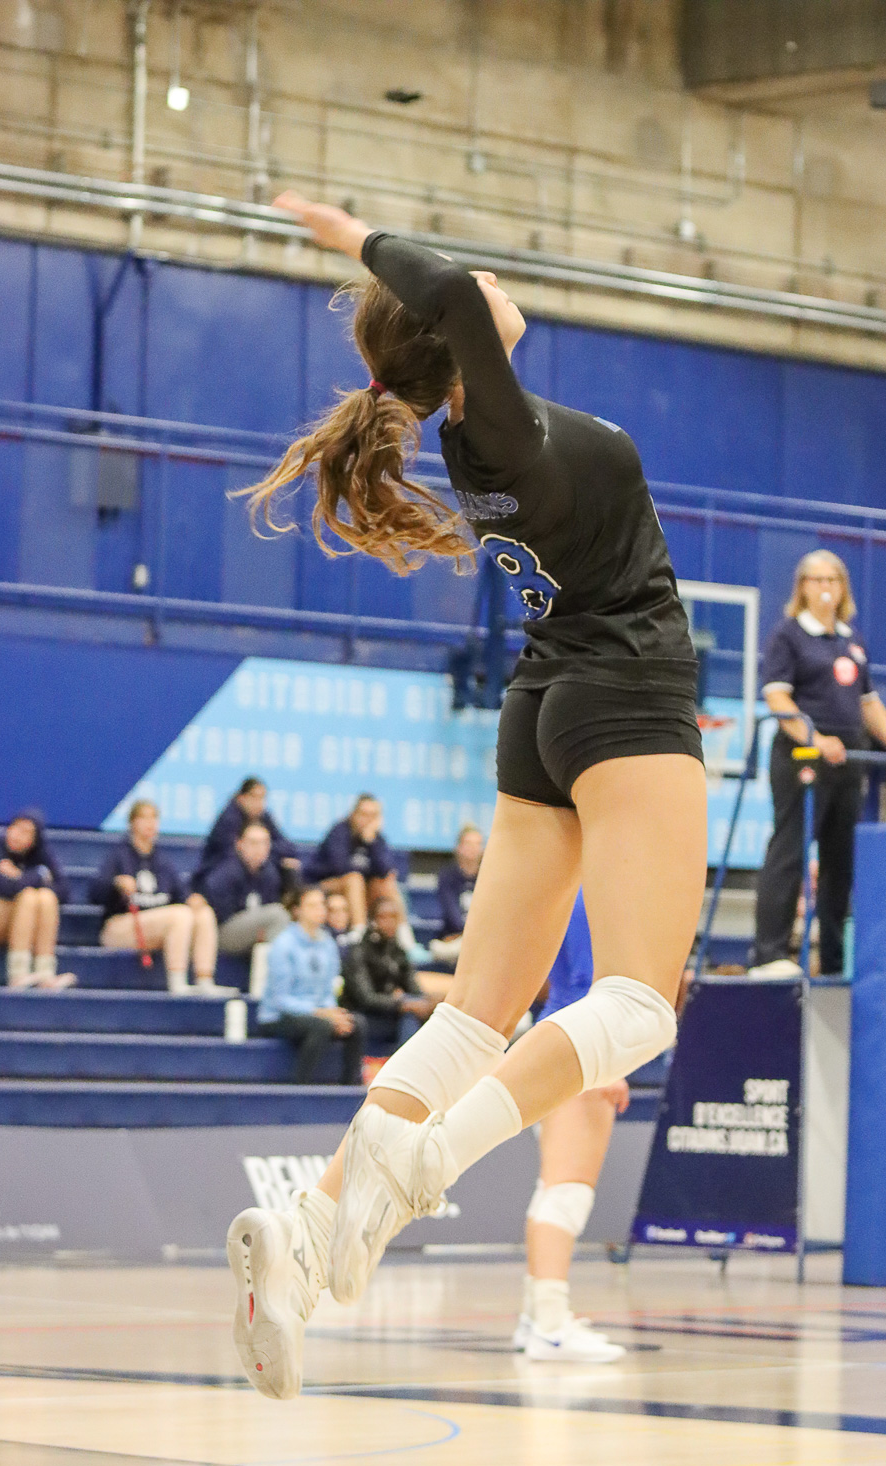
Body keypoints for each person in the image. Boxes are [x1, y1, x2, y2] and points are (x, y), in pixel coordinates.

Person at [226, 193, 706, 1402]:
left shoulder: (478, 428)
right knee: (641, 1005)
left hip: (544, 709)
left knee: (473, 1018)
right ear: (461, 340)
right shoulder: (487, 421)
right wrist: (349, 239)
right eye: (477, 288)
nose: (492, 283)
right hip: (622, 694)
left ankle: (315, 1228)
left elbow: (447, 305)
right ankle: (425, 1163)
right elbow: (441, 290)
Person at [750, 549, 886, 978]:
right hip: (803, 759)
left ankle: (833, 961)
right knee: (790, 851)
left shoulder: (852, 641)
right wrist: (817, 738)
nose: (826, 587)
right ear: (802, 588)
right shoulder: (788, 636)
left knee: (841, 862)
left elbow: (868, 704)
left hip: (850, 761)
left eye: (833, 579)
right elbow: (777, 698)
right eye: (817, 580)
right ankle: (770, 954)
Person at [514, 893, 626, 1363]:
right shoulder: (588, 891)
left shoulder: (575, 882)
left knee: (553, 1190)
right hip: (577, 1043)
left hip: (562, 1037)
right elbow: (584, 983)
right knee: (567, 1193)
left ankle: (537, 1317)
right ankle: (551, 1327)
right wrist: (603, 1063)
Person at [92, 799, 230, 995]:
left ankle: (204, 979)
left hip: (156, 926)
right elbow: (95, 893)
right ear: (132, 823)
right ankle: (177, 980)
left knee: (204, 913)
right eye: (144, 817)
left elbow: (180, 894)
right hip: (120, 926)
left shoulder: (162, 861)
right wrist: (116, 883)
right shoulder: (118, 856)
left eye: (154, 818)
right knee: (180, 915)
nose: (150, 823)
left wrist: (192, 899)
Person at [256, 884, 362, 1084]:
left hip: (316, 1013)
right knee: (320, 1026)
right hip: (278, 1017)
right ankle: (301, 1086)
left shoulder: (328, 944)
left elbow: (328, 990)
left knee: (356, 1024)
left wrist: (332, 1011)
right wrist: (321, 1013)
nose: (319, 910)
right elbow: (282, 1001)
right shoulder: (283, 944)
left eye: (321, 905)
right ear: (298, 910)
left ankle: (350, 1089)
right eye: (312, 905)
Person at [0, 812, 74, 989]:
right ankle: (18, 974)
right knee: (27, 896)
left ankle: (45, 974)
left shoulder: (41, 855)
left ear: (34, 840)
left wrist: (19, 877)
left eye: (25, 832)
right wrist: (38, 876)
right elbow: (3, 888)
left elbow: (64, 892)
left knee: (46, 898)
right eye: (15, 828)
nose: (17, 835)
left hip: (23, 924)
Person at [340, 897, 438, 1051]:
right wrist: (400, 1003)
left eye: (394, 917)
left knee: (429, 1011)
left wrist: (426, 1002)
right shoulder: (358, 951)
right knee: (410, 1016)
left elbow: (414, 989)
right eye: (383, 917)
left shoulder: (398, 951)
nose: (389, 922)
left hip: (391, 1014)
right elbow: (367, 999)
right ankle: (407, 1066)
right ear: (372, 921)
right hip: (364, 1017)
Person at [303, 794, 401, 936]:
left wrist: (371, 843)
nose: (367, 820)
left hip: (360, 890)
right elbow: (340, 867)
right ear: (353, 814)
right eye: (364, 814)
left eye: (373, 815)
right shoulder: (339, 831)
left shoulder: (376, 838)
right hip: (324, 886)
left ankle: (403, 938)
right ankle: (359, 933)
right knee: (354, 879)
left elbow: (385, 870)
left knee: (387, 883)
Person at [191, 778, 299, 892]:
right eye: (254, 797)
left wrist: (269, 854)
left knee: (289, 865)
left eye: (262, 798)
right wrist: (267, 855)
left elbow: (288, 847)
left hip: (251, 871)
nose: (259, 803)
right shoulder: (228, 820)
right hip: (218, 871)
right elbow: (234, 854)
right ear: (241, 798)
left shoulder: (264, 816)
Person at [202, 821, 290, 955]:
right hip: (221, 933)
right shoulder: (226, 872)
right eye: (253, 842)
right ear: (240, 844)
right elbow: (219, 916)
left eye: (264, 843)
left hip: (253, 931)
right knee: (277, 914)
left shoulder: (270, 873)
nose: (259, 848)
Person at [429, 824, 484, 965]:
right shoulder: (447, 876)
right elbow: (452, 914)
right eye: (468, 843)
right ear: (459, 847)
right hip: (455, 937)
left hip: (481, 939)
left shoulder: (488, 878)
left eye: (477, 844)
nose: (473, 848)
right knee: (438, 948)